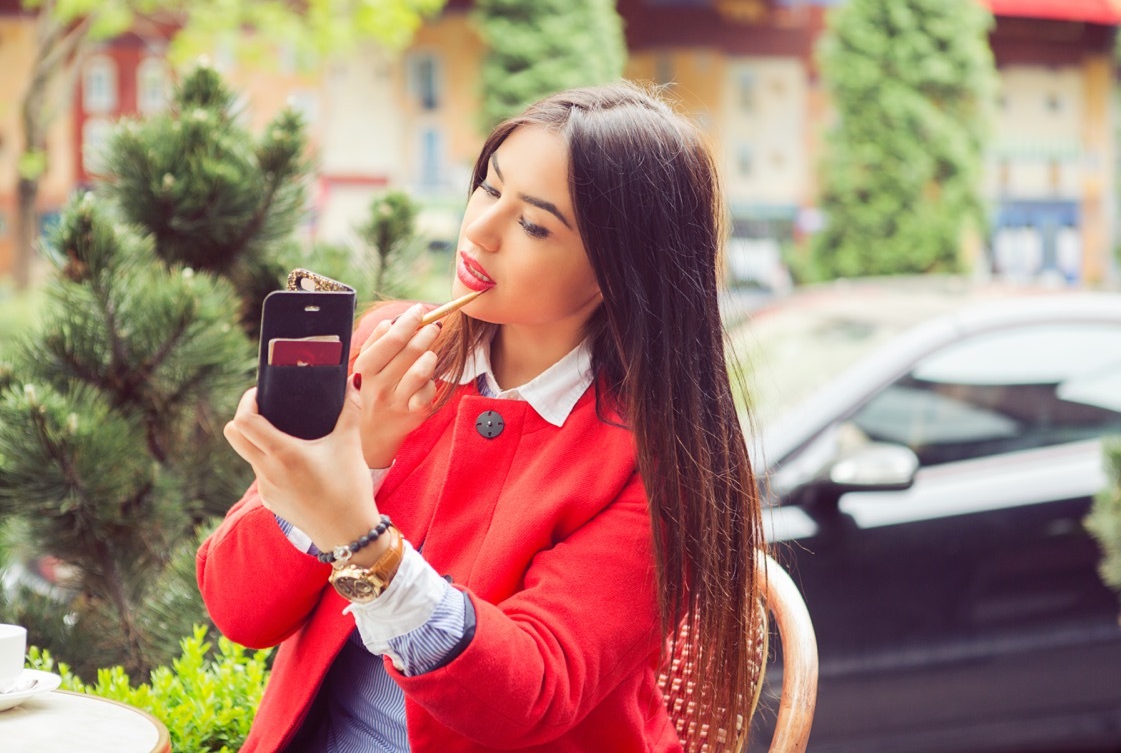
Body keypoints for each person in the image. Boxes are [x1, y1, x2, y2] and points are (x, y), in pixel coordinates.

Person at [198, 82, 764, 752]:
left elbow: (529, 693)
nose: (482, 230)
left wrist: (356, 531)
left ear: (616, 273)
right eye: (490, 189)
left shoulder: (659, 461)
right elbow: (239, 610)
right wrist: (364, 452)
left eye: (534, 224)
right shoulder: (389, 352)